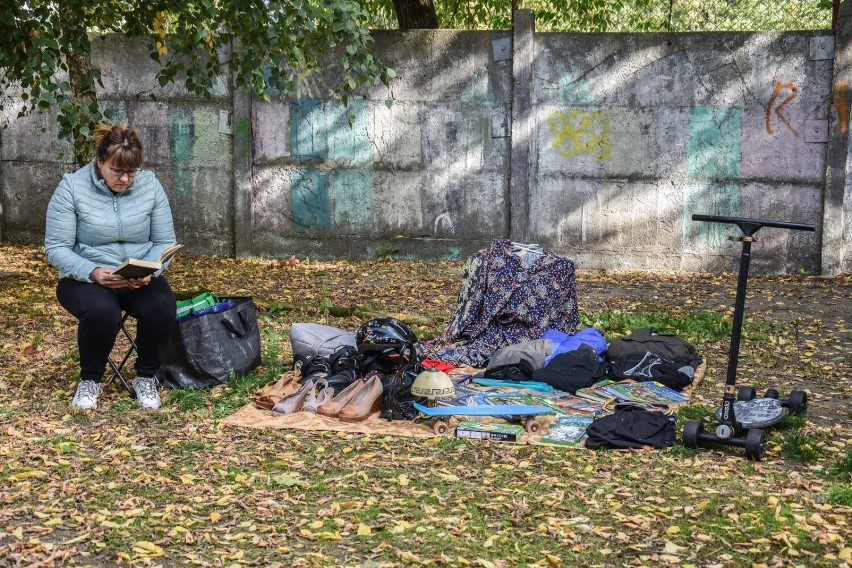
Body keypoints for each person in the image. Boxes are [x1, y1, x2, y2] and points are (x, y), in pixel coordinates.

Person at [44, 123, 178, 411]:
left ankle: (146, 376)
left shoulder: (150, 185)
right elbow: (56, 248)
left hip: (136, 277)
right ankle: (90, 381)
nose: (126, 179)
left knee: (163, 304)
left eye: (132, 172)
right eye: (117, 171)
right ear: (100, 162)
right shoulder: (72, 187)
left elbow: (165, 241)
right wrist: (92, 272)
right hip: (85, 278)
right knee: (102, 311)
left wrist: (151, 270)